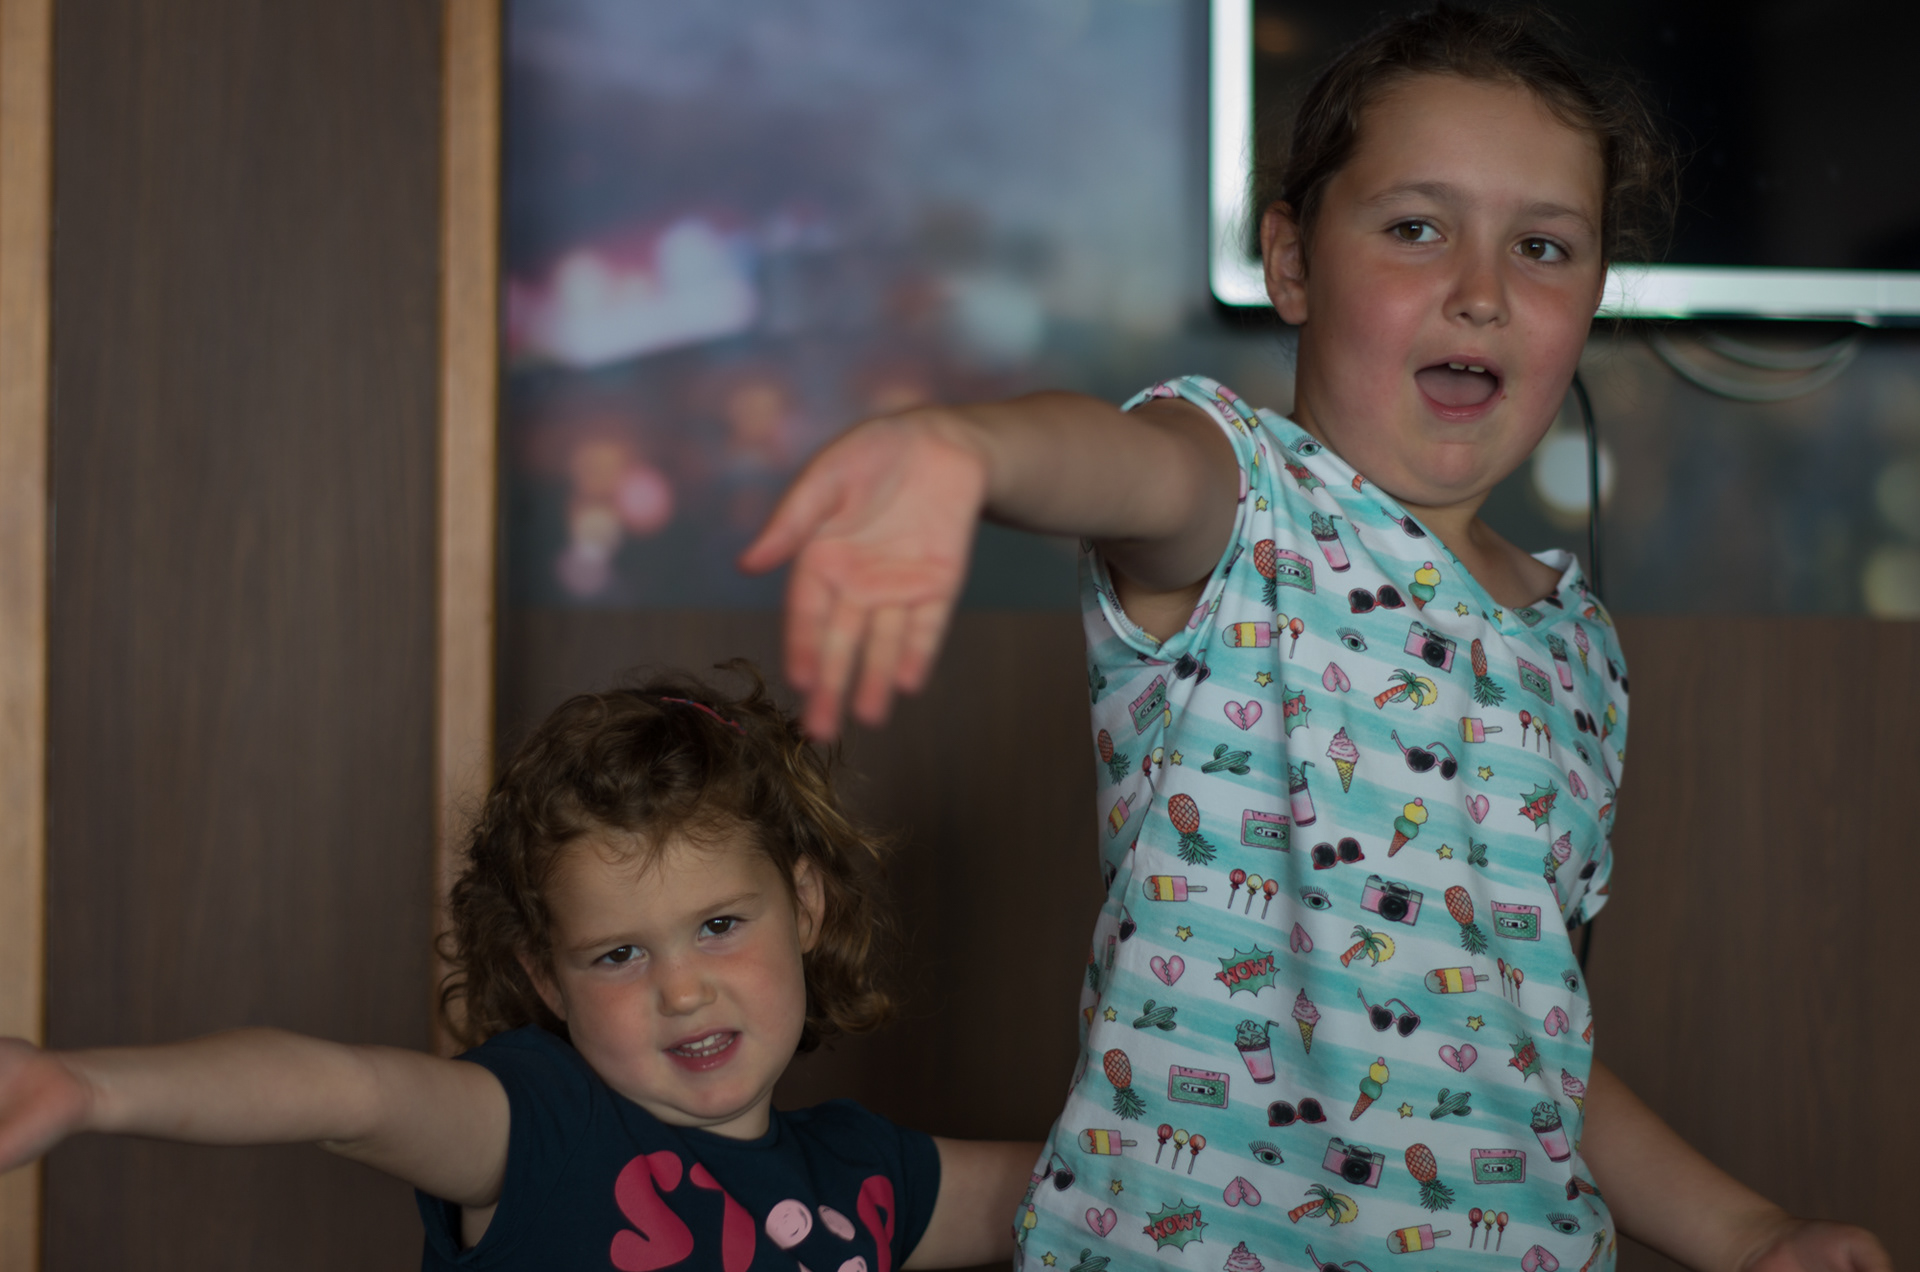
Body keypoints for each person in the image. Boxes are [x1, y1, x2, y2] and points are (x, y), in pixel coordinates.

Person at [738, 9, 1891, 1272]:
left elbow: (1514, 1037)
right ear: (1291, 263)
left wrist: (1753, 1232)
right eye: (1416, 228)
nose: (1483, 291)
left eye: (1543, 247)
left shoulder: (1583, 652)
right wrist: (967, 447)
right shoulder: (1247, 503)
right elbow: (1123, 469)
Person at [0, 669, 1037, 1269]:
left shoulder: (867, 1174)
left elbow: (1089, 1188)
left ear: (805, 907)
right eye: (618, 954)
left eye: (719, 925)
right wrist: (88, 1088)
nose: (681, 989)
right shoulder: (542, 1128)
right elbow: (347, 1093)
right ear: (547, 979)